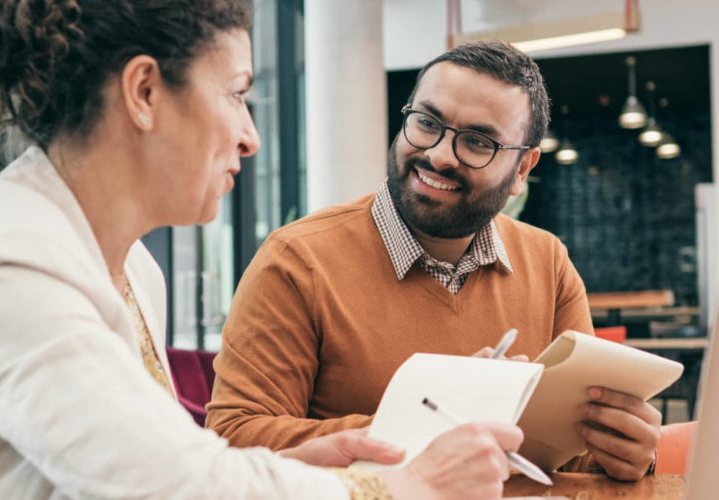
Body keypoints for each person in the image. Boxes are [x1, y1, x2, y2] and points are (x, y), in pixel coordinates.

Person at [0, 1, 526, 498]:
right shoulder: (4, 268)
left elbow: (150, 463)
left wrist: (290, 465)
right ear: (145, 92)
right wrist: (404, 486)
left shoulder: (132, 268)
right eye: (237, 95)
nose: (250, 137)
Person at [206, 41, 662, 482]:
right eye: (427, 122)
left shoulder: (548, 262)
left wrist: (623, 452)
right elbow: (235, 440)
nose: (439, 155)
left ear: (522, 170)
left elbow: (567, 456)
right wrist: (431, 422)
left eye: (478, 142)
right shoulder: (296, 260)